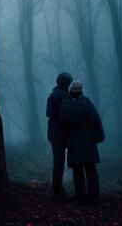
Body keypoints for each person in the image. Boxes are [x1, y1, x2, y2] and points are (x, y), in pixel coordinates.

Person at [61, 79, 105, 204]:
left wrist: (64, 102)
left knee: (78, 171)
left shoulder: (73, 105)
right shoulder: (88, 103)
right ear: (81, 91)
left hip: (76, 142)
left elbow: (67, 118)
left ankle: (80, 196)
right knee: (91, 171)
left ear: (71, 92)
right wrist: (98, 137)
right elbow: (96, 121)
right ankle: (93, 196)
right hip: (89, 142)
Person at [45, 71, 73, 200]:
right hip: (62, 133)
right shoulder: (65, 96)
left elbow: (48, 113)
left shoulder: (52, 95)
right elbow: (68, 116)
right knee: (62, 161)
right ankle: (58, 191)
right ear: (66, 83)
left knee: (58, 161)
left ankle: (56, 189)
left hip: (53, 132)